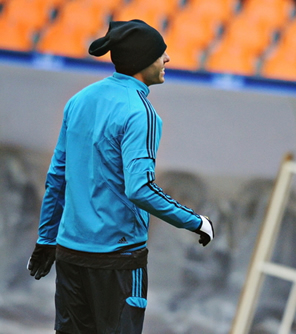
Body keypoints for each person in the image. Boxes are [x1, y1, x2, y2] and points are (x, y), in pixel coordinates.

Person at [27, 19, 214, 334]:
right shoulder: (140, 112)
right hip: (118, 260)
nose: (166, 59)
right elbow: (140, 189)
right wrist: (195, 221)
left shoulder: (79, 100)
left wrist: (47, 239)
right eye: (160, 53)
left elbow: (56, 178)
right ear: (142, 61)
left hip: (71, 254)